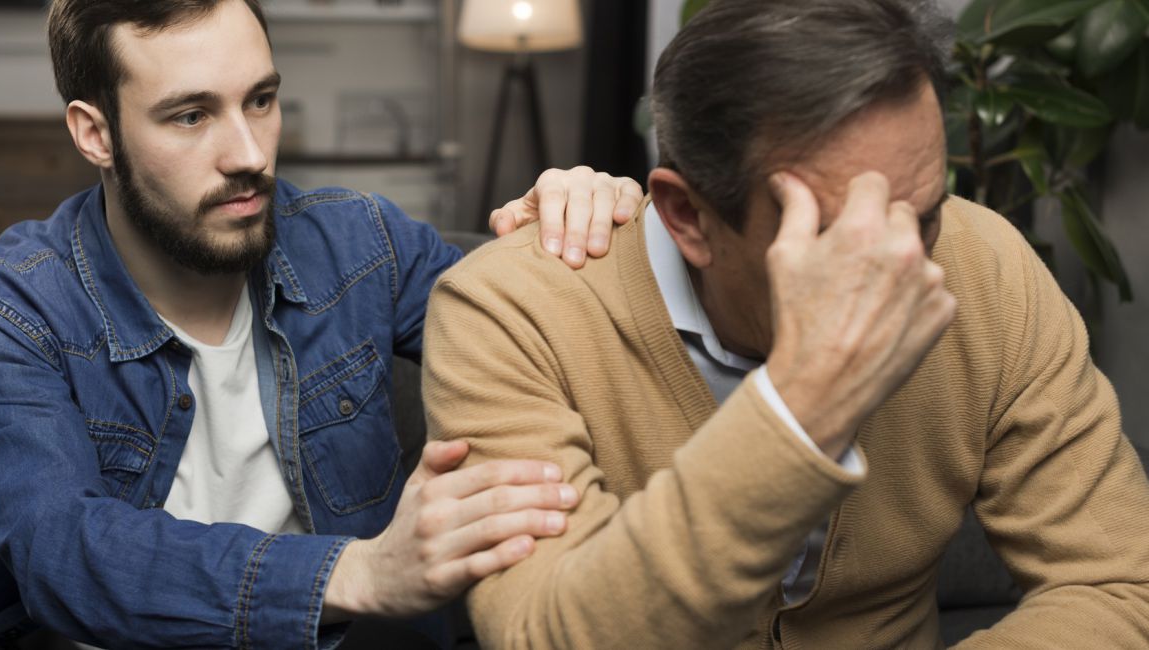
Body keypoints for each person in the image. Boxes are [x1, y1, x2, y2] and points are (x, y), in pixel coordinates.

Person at [0, 1, 642, 648]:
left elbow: (546, 346)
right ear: (95, 133)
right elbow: (64, 554)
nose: (249, 152)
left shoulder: (361, 242)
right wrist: (352, 573)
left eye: (262, 99)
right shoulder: (1, 306)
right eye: (190, 116)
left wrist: (596, 238)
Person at [422, 0, 1149, 647]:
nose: (898, 260)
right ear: (688, 217)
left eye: (922, 214)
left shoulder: (984, 262)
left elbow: (1120, 583)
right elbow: (544, 633)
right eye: (833, 230)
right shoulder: (511, 308)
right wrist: (801, 404)